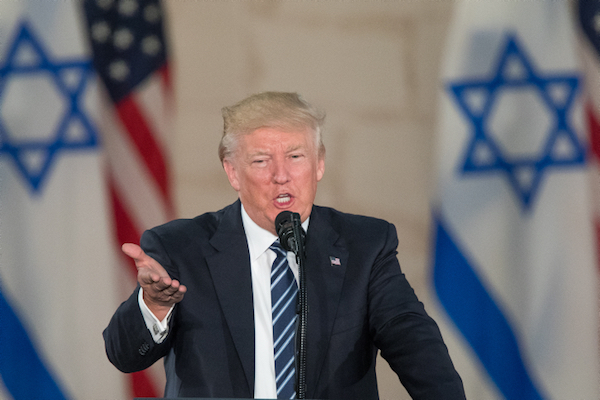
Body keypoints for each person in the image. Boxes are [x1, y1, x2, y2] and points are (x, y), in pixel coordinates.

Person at [103, 92, 465, 399]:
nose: (281, 175)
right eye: (261, 161)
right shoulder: (180, 247)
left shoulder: (364, 246)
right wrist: (152, 305)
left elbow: (412, 339)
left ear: (319, 163)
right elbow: (124, 356)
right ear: (233, 172)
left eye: (295, 156)